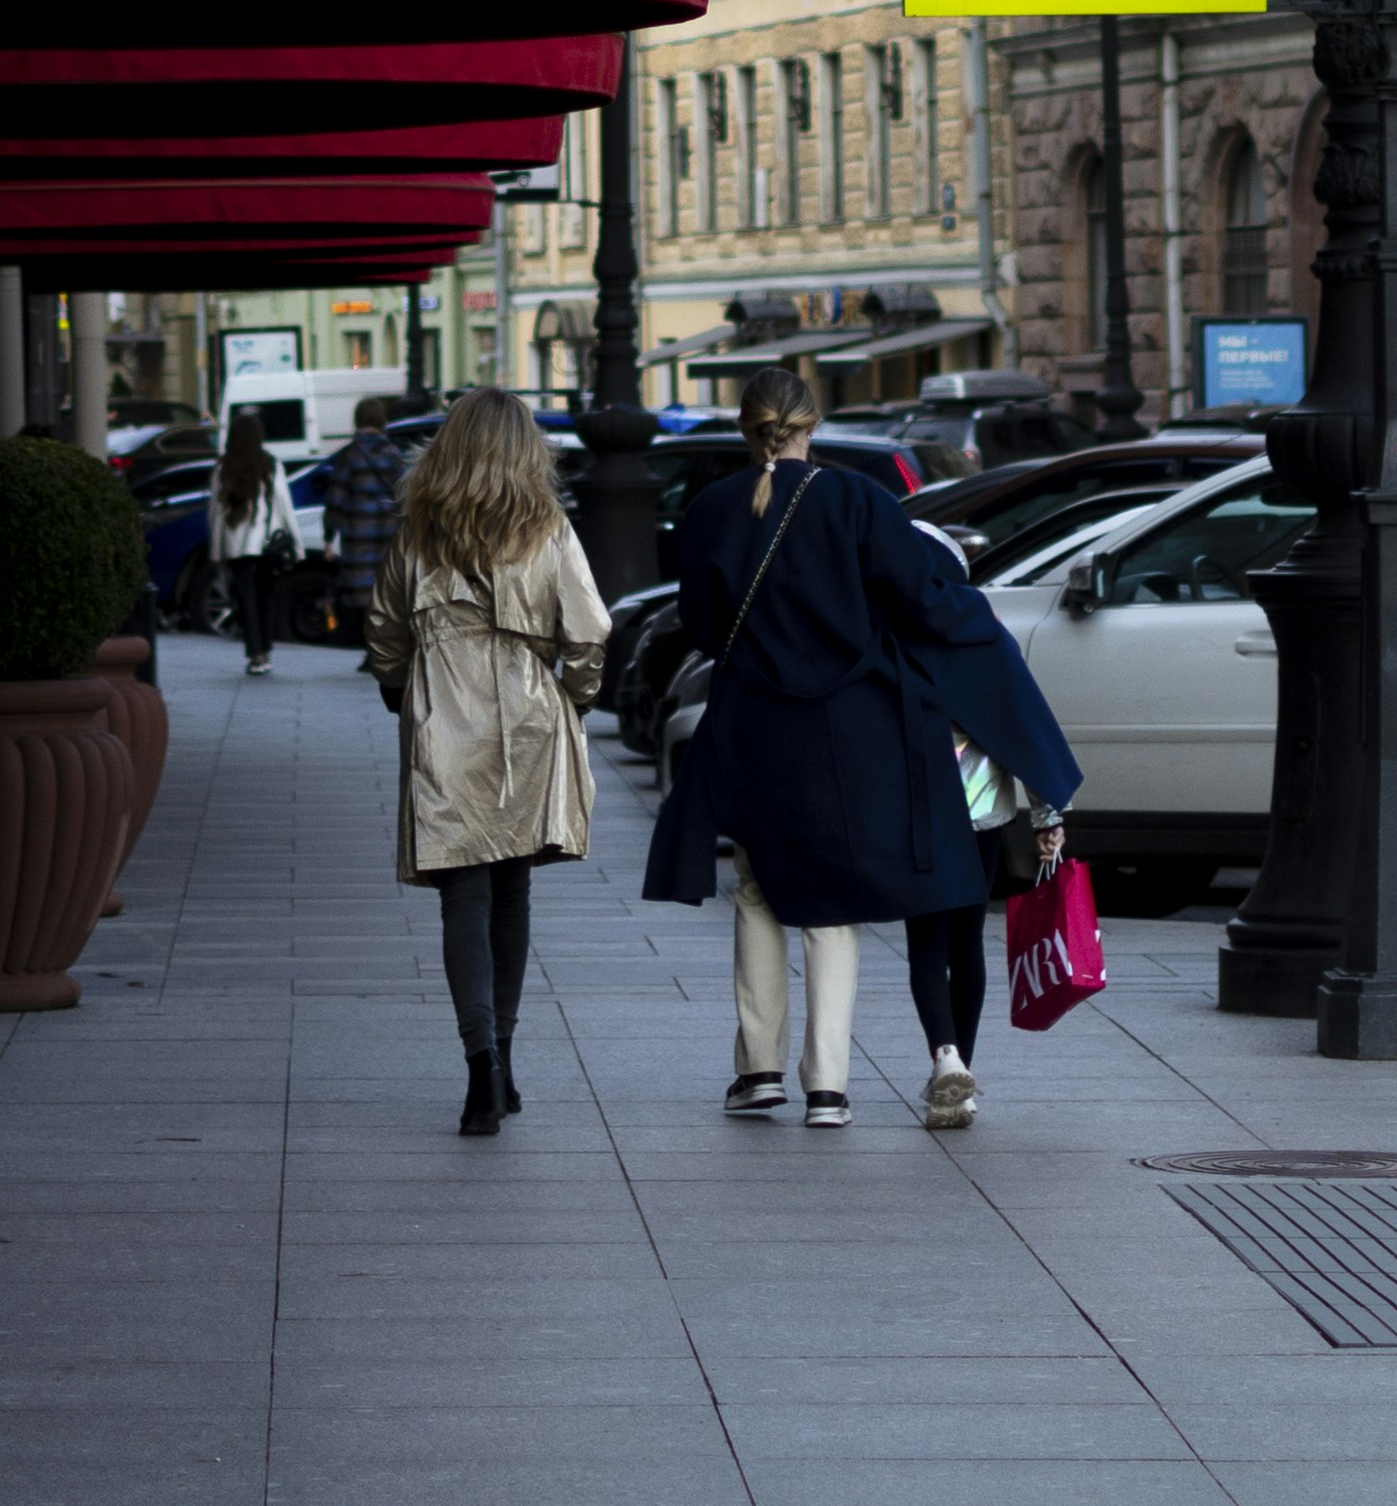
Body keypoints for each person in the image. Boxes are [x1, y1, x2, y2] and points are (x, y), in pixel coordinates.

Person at [643, 365, 1080, 1131]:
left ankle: (759, 1073)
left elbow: (703, 624)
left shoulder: (711, 509)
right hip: (845, 729)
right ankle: (829, 1089)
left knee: (754, 890)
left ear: (748, 427)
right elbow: (922, 600)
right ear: (811, 423)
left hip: (749, 720)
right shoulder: (854, 499)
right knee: (830, 902)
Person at [367, 389, 612, 1137]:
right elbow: (588, 631)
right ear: (525, 449)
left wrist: (398, 688)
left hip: (447, 711)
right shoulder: (548, 527)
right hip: (529, 718)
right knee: (512, 896)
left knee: (463, 900)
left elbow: (385, 626)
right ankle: (503, 1055)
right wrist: (574, 696)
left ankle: (481, 1069)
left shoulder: (420, 529)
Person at [316, 392, 421, 644]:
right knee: (386, 589)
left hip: (358, 532)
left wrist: (330, 536)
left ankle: (370, 646)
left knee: (362, 592)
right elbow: (405, 496)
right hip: (388, 531)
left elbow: (336, 498)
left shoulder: (350, 455)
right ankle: (383, 643)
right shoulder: (394, 454)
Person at [204, 418, 298, 671]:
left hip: (237, 546)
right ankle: (265, 650)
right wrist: (296, 544)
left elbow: (215, 512)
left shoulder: (224, 467)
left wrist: (215, 551)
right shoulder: (269, 464)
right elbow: (284, 504)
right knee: (266, 596)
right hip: (266, 545)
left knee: (245, 600)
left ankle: (255, 652)